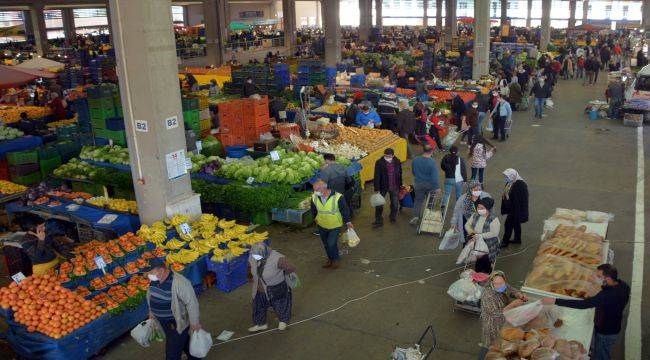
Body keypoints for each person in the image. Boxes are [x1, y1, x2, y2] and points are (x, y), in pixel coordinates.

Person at [541, 264, 630, 360]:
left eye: (599, 277)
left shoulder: (606, 296)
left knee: (602, 354)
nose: (596, 278)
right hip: (615, 325)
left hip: (605, 331)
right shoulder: (624, 285)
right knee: (606, 349)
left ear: (607, 279)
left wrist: (555, 301)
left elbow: (583, 304)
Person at [146, 258, 202, 360]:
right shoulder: (154, 280)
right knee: (183, 342)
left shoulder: (180, 282)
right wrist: (151, 311)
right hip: (164, 322)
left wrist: (195, 322)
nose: (149, 274)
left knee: (172, 354)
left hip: (176, 322)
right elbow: (151, 295)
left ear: (161, 270)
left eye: (151, 272)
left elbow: (192, 303)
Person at [478, 271, 528, 359]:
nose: (499, 286)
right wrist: (512, 305)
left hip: (504, 319)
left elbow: (511, 290)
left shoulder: (503, 284)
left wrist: (520, 295)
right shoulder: (487, 295)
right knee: (491, 344)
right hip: (492, 324)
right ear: (491, 283)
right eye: (496, 284)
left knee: (501, 342)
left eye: (501, 283)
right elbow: (495, 313)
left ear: (504, 280)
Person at [248, 242, 296, 332]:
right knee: (258, 306)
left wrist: (280, 275)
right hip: (259, 288)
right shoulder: (252, 256)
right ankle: (260, 324)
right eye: (253, 255)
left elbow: (291, 268)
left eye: (257, 255)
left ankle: (283, 321)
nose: (255, 257)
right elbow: (250, 265)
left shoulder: (278, 258)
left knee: (280, 304)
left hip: (276, 287)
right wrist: (251, 276)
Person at [311, 180, 353, 269]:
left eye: (317, 190)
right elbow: (313, 210)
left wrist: (348, 222)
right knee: (326, 244)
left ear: (324, 188)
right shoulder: (314, 197)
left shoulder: (338, 197)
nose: (315, 192)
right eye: (314, 190)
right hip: (321, 225)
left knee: (331, 243)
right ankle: (330, 259)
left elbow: (345, 210)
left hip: (335, 225)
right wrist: (315, 218)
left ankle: (335, 259)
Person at [409, 145, 440, 225]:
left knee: (418, 201)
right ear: (432, 152)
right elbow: (434, 177)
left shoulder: (415, 160)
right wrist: (437, 187)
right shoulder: (432, 162)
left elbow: (413, 172)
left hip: (418, 184)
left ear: (423, 150)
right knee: (430, 202)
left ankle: (415, 217)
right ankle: (427, 217)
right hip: (430, 185)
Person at [465, 197, 501, 264]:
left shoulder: (493, 219)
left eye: (482, 208)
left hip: (489, 241)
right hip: (475, 237)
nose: (479, 210)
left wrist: (479, 236)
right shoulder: (475, 215)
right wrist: (472, 233)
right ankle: (475, 258)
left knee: (484, 260)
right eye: (478, 207)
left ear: (488, 209)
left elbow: (494, 233)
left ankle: (485, 263)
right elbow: (467, 225)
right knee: (470, 246)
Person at [373, 148, 402, 226]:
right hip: (383, 186)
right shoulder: (379, 162)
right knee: (379, 204)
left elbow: (400, 173)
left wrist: (400, 184)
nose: (387, 157)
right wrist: (377, 188)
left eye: (389, 156)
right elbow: (377, 175)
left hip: (394, 186)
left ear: (393, 155)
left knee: (395, 203)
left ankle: (393, 216)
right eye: (386, 156)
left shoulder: (397, 161)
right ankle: (378, 220)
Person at [500, 169, 529, 248]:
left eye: (507, 176)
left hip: (516, 210)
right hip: (513, 208)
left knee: (508, 225)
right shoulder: (511, 182)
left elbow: (519, 200)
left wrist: (508, 198)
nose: (506, 178)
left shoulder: (521, 185)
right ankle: (517, 239)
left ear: (512, 176)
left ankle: (505, 242)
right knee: (516, 224)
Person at [440, 145, 467, 210]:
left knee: (446, 194)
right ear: (458, 152)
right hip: (458, 180)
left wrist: (446, 170)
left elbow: (442, 166)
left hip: (448, 179)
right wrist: (465, 180)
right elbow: (463, 170)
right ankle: (458, 207)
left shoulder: (446, 157)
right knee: (458, 194)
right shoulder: (460, 159)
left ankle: (443, 206)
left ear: (450, 151)